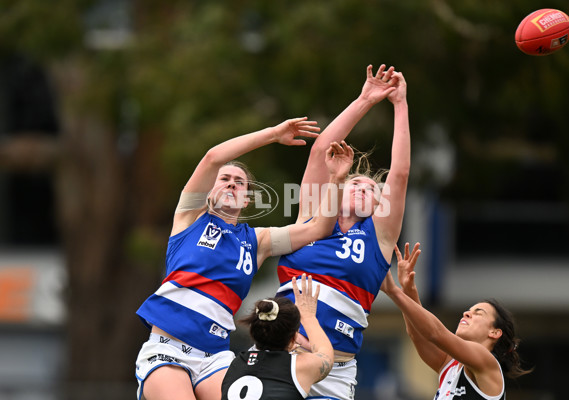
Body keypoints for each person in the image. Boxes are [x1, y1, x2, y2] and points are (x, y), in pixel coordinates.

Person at [135, 117, 354, 400]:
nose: (231, 184)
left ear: (247, 199)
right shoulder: (189, 217)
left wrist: (336, 180)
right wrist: (273, 134)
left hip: (214, 357)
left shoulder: (256, 240)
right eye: (224, 179)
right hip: (168, 348)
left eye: (240, 183)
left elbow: (318, 228)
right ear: (209, 191)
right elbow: (213, 157)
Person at [274, 64, 412, 399]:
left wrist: (400, 104)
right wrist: (366, 99)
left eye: (372, 190)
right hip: (284, 352)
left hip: (334, 368)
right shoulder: (312, 216)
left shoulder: (377, 238)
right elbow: (322, 149)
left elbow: (400, 173)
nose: (365, 189)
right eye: (357, 184)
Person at [383, 242, 531, 400]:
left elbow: (436, 333)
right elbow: (416, 334)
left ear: (494, 332)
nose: (466, 313)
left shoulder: (486, 360)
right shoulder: (449, 365)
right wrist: (407, 290)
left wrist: (394, 292)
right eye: (469, 310)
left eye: (478, 313)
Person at [221, 273, 334, 399]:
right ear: (292, 339)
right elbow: (326, 353)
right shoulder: (298, 367)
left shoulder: (235, 364)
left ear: (254, 332)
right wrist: (308, 317)